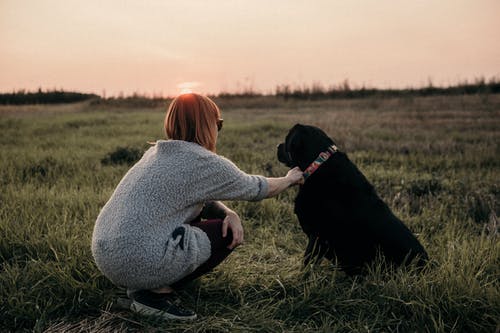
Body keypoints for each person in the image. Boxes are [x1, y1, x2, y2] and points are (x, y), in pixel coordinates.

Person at [91, 93, 303, 320]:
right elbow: (258, 188)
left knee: (214, 219)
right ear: (207, 125)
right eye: (218, 124)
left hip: (107, 256)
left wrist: (229, 212)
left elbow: (197, 195)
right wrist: (290, 178)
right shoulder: (202, 161)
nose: (218, 129)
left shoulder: (156, 153)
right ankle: (153, 297)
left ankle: (145, 283)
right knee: (225, 233)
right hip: (138, 258)